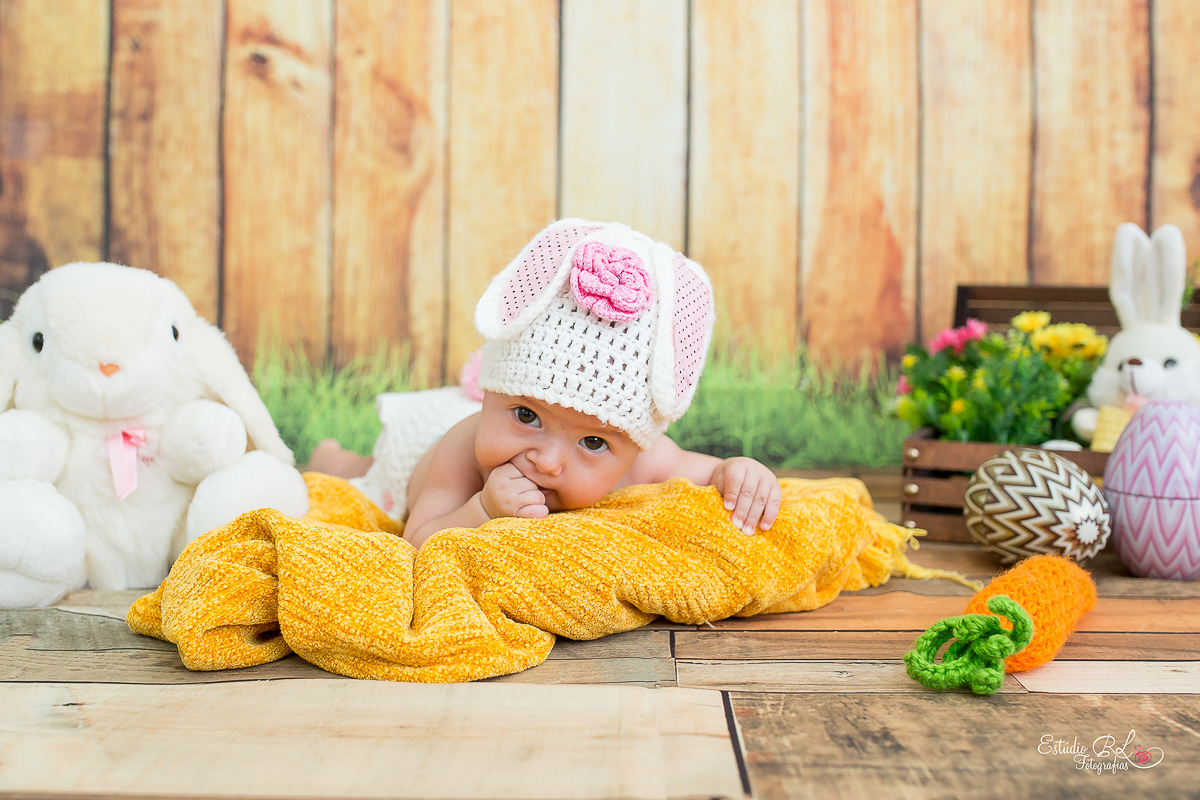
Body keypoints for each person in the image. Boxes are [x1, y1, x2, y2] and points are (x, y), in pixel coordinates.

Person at [309, 219, 781, 549]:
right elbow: (419, 538)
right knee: (360, 471)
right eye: (527, 415)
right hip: (417, 448)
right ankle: (328, 454)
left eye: (593, 443)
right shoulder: (461, 450)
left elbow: (708, 473)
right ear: (492, 394)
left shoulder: (646, 456)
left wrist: (738, 472)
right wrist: (482, 510)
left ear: (635, 445)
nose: (547, 461)